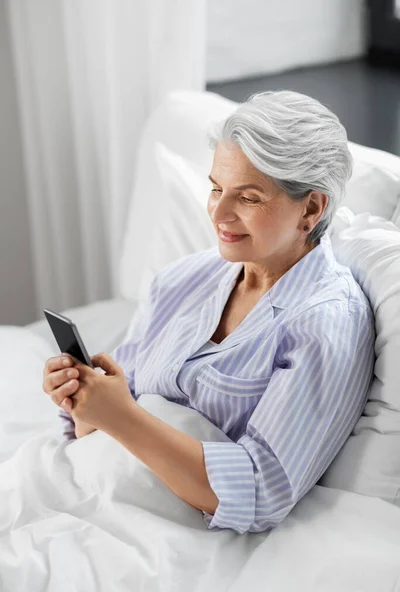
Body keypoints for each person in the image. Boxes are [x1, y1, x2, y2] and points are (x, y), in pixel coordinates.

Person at [42, 90, 376, 535]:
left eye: (249, 197)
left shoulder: (326, 322)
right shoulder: (183, 280)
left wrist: (120, 415)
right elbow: (104, 430)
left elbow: (260, 493)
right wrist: (84, 401)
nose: (218, 212)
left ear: (311, 208)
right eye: (216, 188)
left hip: (172, 536)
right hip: (93, 490)